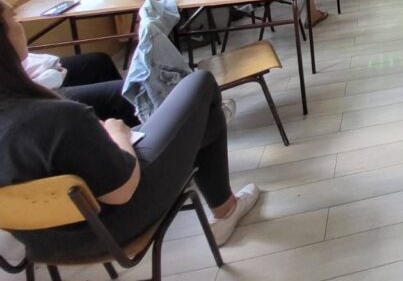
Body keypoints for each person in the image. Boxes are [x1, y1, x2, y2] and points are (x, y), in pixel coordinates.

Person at [0, 15, 260, 259]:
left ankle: (202, 147)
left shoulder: (32, 114)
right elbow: (121, 192)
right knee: (201, 84)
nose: (20, 23)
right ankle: (224, 208)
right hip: (112, 228)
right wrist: (118, 134)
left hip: (40, 242)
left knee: (186, 111)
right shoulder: (61, 116)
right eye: (13, 17)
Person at [3, 0, 137, 125]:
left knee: (98, 61)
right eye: (14, 18)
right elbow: (19, 91)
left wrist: (50, 71)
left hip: (31, 74)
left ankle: (117, 126)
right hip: (29, 92)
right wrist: (50, 78)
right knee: (124, 92)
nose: (19, 24)